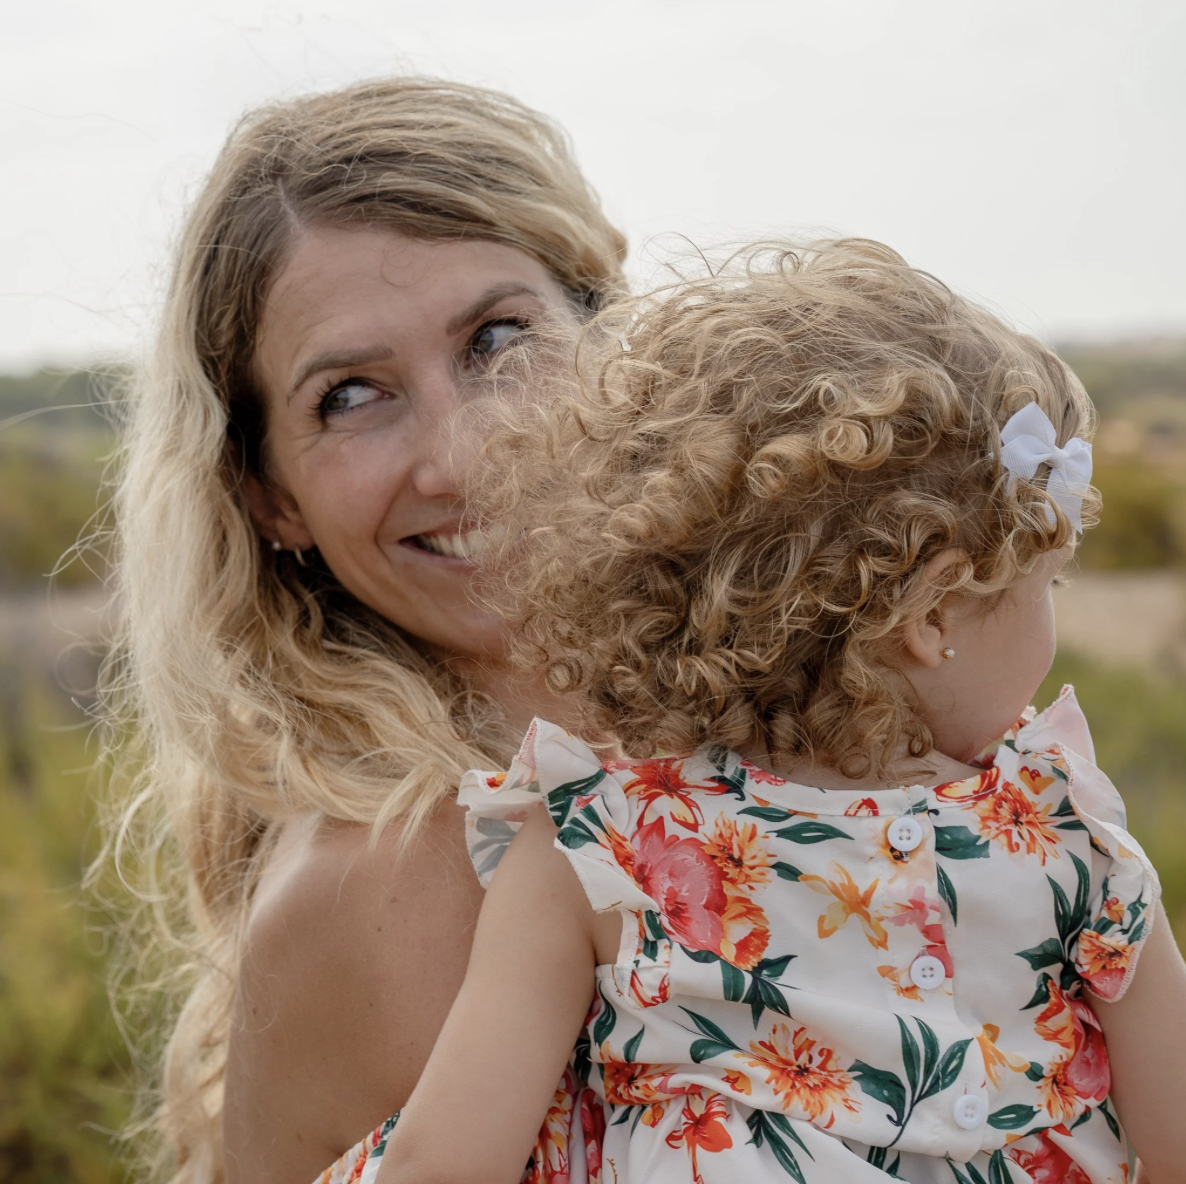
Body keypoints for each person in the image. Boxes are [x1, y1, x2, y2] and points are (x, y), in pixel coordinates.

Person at [371, 240, 1186, 1183]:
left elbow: (442, 1164)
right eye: (1046, 587)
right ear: (931, 615)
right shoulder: (1066, 831)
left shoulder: (602, 843)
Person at [104, 77, 626, 1184]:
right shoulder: (408, 874)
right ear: (270, 497)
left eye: (498, 338)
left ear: (606, 333)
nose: (466, 455)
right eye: (349, 395)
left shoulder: (790, 721)